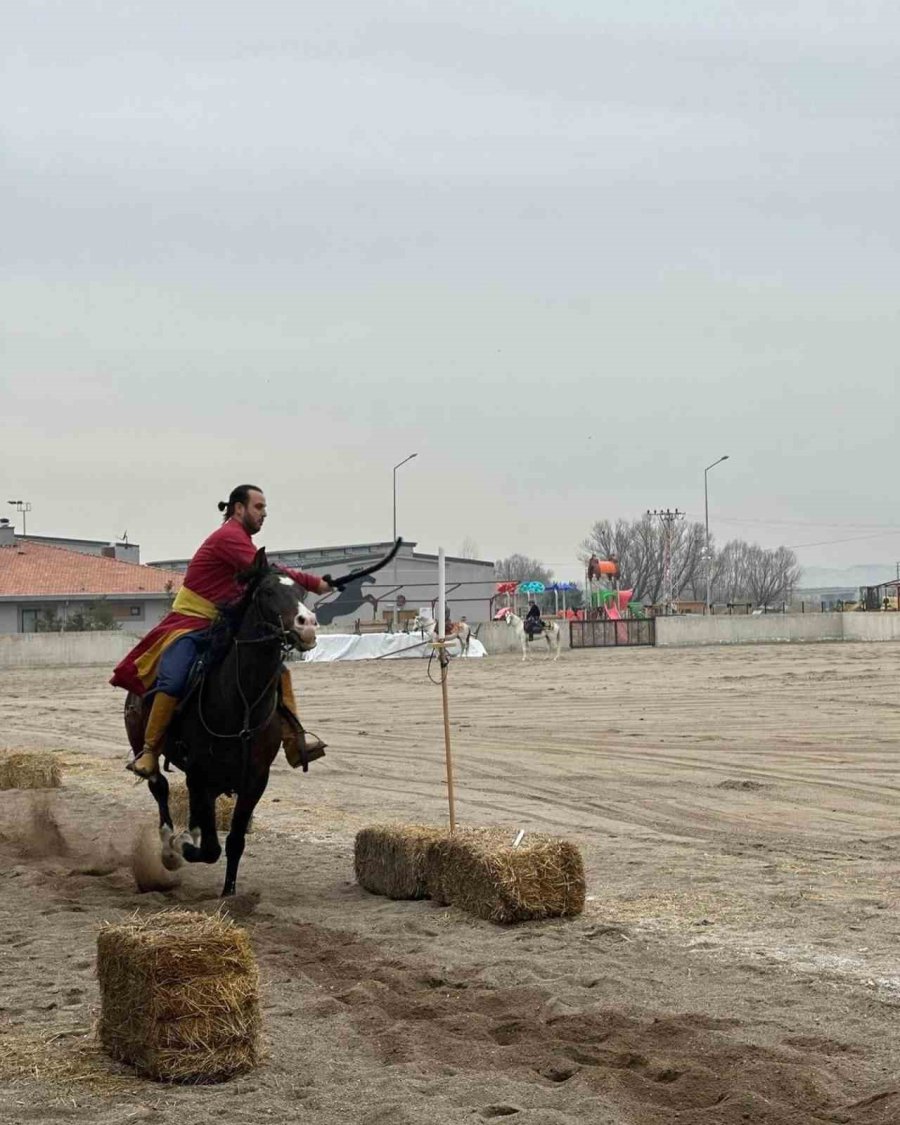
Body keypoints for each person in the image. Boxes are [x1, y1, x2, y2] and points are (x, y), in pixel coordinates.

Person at [111, 485, 332, 779]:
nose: (264, 513)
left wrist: (311, 583)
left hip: (222, 625)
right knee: (174, 676)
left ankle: (294, 741)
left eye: (265, 508)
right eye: (258, 507)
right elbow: (268, 573)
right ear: (238, 509)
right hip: (190, 622)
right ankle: (150, 750)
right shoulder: (230, 537)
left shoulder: (242, 541)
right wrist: (314, 583)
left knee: (278, 671)